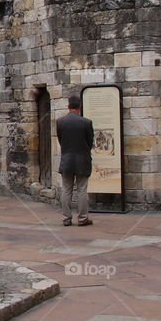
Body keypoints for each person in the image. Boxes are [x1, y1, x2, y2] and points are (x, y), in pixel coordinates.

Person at [56, 95, 95, 227]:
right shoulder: (86, 122)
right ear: (80, 107)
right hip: (82, 159)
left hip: (67, 159)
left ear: (68, 106)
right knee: (82, 189)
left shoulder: (60, 122)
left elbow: (61, 140)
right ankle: (83, 218)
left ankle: (66, 218)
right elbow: (90, 142)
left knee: (66, 189)